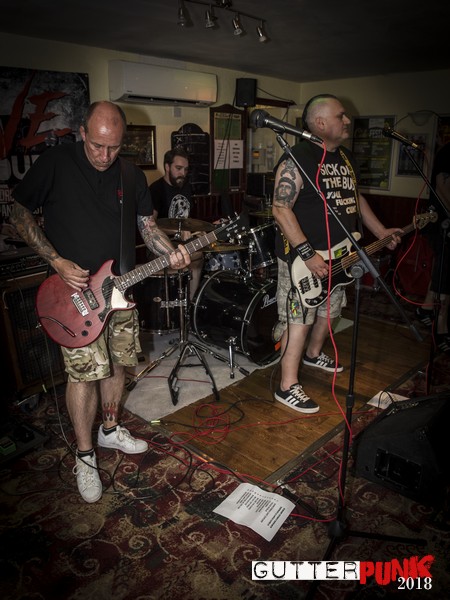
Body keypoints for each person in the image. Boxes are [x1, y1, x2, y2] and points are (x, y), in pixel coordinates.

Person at [9, 101, 190, 503]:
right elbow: (18, 212)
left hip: (121, 291)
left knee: (117, 364)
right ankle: (85, 454)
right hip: (73, 296)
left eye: (114, 147)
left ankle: (109, 429)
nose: (105, 156)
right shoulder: (56, 163)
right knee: (84, 375)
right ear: (82, 134)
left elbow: (147, 227)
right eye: (97, 146)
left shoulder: (131, 174)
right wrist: (55, 260)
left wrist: (172, 252)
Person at [272, 94, 402, 413]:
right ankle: (287, 385)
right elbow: (280, 208)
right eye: (340, 116)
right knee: (300, 319)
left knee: (330, 311)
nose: (347, 121)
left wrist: (380, 231)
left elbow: (355, 198)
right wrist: (307, 254)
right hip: (302, 259)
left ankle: (313, 354)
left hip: (341, 254)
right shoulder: (297, 157)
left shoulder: (345, 157)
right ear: (320, 123)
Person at [149, 147, 203, 299]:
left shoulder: (186, 187)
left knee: (201, 253)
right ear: (167, 167)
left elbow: (190, 219)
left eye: (185, 169)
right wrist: (177, 231)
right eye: (178, 168)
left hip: (184, 243)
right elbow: (150, 226)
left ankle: (191, 303)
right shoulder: (156, 189)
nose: (183, 174)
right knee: (191, 256)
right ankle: (173, 300)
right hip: (162, 244)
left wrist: (199, 229)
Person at [416, 140, 450, 352]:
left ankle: (426, 309)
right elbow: (441, 185)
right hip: (440, 222)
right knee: (445, 272)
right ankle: (441, 327)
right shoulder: (448, 152)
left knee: (442, 269)